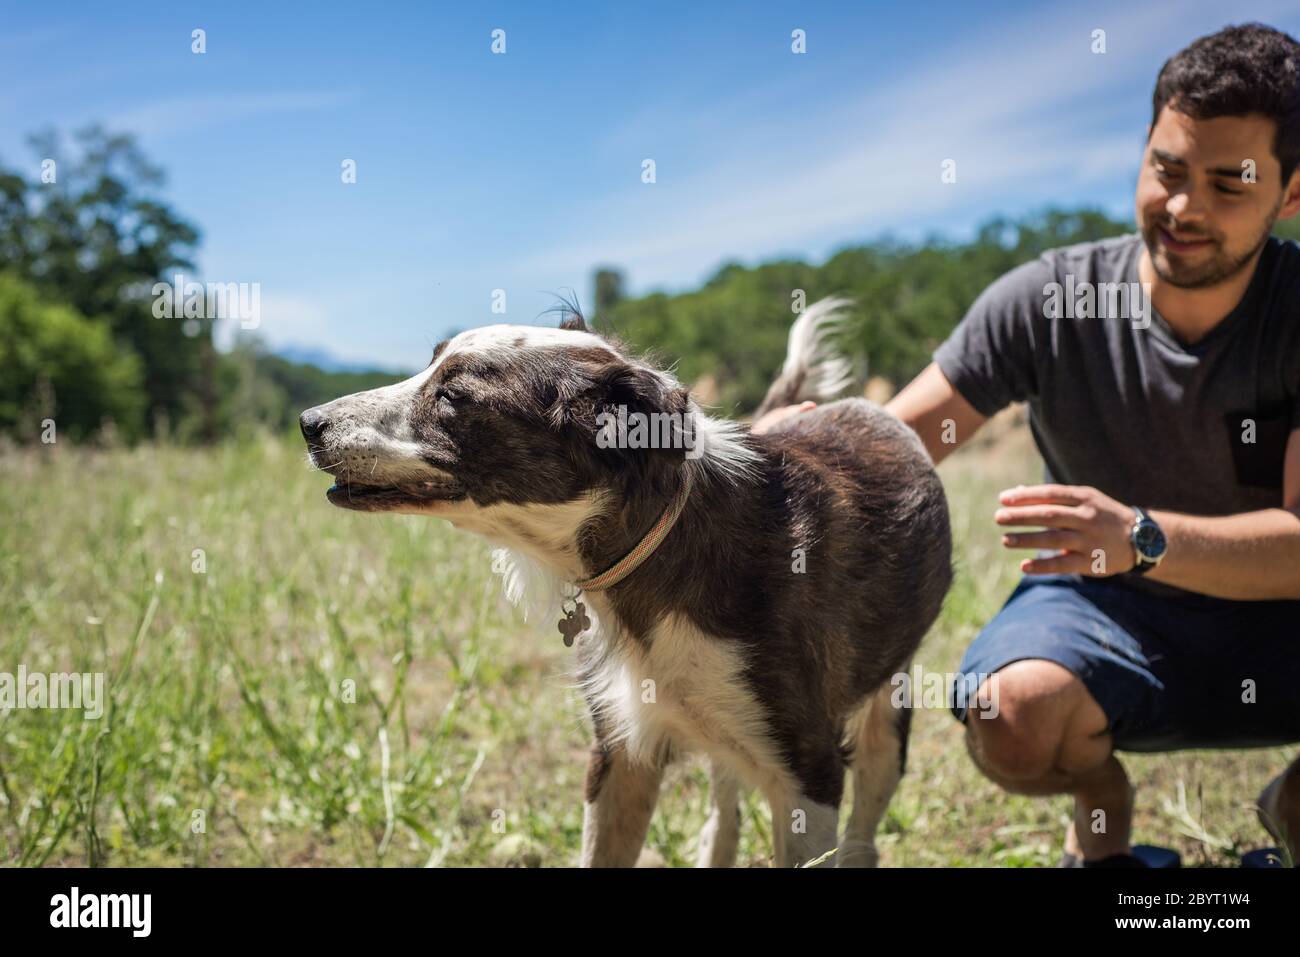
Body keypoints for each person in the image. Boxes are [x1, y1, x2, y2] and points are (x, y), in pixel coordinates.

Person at [754, 22, 1300, 866]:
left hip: (1278, 620)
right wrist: (783, 453)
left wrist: (1139, 537)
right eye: (1168, 170)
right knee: (1008, 714)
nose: (1186, 207)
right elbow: (899, 446)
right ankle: (1100, 800)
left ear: (1291, 194)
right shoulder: (1049, 300)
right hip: (1104, 612)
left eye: (1231, 183)